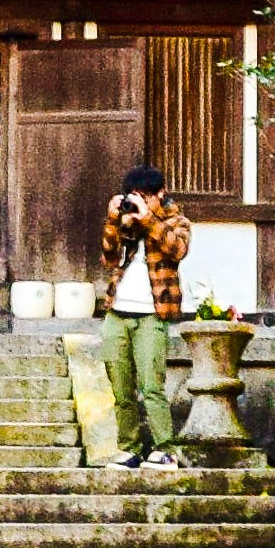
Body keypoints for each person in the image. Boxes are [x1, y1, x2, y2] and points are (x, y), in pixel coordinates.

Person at [95, 158, 192, 463]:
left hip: (152, 314)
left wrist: (148, 219)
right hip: (117, 312)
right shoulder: (126, 223)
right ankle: (130, 449)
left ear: (160, 193)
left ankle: (166, 449)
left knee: (151, 386)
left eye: (145, 195)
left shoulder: (176, 221)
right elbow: (109, 258)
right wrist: (113, 220)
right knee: (121, 389)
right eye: (134, 194)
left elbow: (178, 250)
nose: (139, 200)